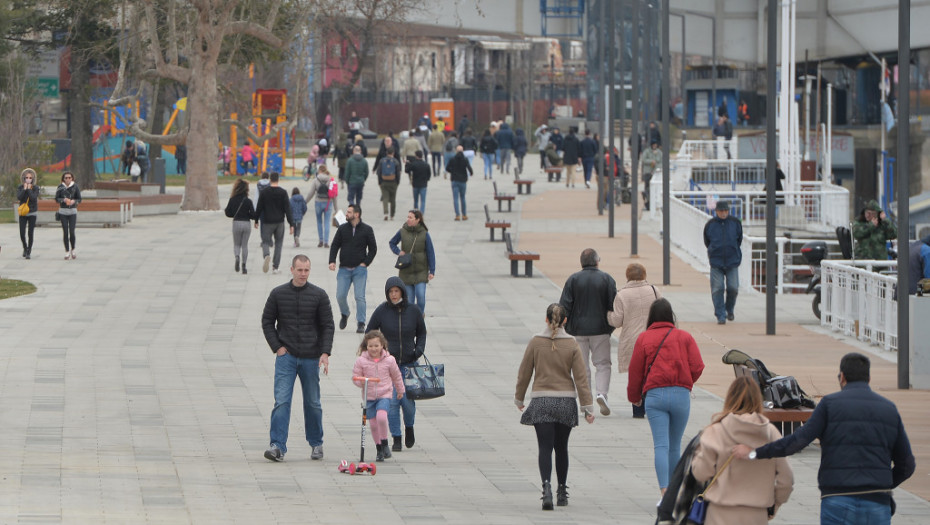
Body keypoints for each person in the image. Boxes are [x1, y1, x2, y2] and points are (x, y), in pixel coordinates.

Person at [732, 353, 915, 525]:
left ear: (842, 377)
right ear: (869, 379)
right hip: (877, 502)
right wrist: (882, 484)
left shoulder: (830, 405)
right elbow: (907, 464)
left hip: (837, 499)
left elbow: (796, 442)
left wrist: (754, 453)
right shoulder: (889, 409)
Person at [514, 303, 595, 510]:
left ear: (546, 320)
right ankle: (562, 491)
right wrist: (587, 407)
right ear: (565, 320)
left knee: (544, 447)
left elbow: (525, 372)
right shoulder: (572, 344)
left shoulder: (535, 342)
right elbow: (581, 377)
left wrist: (519, 398)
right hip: (565, 401)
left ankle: (546, 488)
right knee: (561, 448)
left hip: (541, 400)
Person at [690, 376, 794, 524]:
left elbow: (700, 473)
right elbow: (787, 480)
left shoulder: (716, 431)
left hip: (720, 512)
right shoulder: (771, 433)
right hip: (756, 513)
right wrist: (774, 505)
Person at [627, 298, 705, 495]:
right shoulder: (685, 337)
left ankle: (664, 489)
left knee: (661, 444)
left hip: (655, 395)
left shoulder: (644, 338)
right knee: (675, 445)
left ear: (651, 317)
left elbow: (635, 372)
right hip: (680, 395)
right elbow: (697, 366)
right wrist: (686, 381)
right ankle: (675, 490)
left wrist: (634, 397)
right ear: (671, 316)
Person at [262, 254, 334, 462]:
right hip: (287, 356)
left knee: (312, 402)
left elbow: (328, 325)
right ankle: (277, 445)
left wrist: (325, 352)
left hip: (311, 357)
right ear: (291, 269)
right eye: (300, 270)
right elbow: (267, 321)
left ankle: (316, 443)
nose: (303, 274)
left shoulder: (319, 295)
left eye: (307, 270)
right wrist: (277, 347)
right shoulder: (278, 294)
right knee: (282, 401)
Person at [366, 276, 427, 452]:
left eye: (396, 291)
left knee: (407, 402)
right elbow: (370, 332)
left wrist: (419, 349)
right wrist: (377, 352)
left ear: (402, 291)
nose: (393, 295)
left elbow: (422, 332)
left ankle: (409, 427)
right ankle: (396, 437)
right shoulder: (382, 311)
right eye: (390, 292)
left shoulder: (413, 310)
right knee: (391, 402)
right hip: (388, 366)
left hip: (409, 364)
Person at [559, 248, 618, 416]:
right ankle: (602, 394)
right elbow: (613, 305)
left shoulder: (573, 279)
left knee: (581, 367)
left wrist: (565, 327)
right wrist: (609, 327)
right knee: (603, 364)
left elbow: (565, 306)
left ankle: (586, 402)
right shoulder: (607, 279)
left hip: (577, 331)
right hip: (601, 329)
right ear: (597, 261)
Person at [607, 263, 661, 419]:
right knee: (651, 373)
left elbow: (617, 321)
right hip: (654, 338)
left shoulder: (622, 295)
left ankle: (638, 409)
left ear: (627, 276)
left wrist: (607, 315)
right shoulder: (654, 290)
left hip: (632, 341)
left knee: (636, 375)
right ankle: (652, 406)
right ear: (644, 274)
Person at [352, 330, 405, 462]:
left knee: (382, 417)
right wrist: (360, 381)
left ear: (382, 345)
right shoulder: (361, 361)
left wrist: (400, 390)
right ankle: (379, 448)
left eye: (376, 346)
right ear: (366, 346)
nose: (374, 349)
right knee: (374, 424)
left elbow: (396, 376)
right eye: (370, 346)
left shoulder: (389, 360)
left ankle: (385, 442)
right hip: (369, 396)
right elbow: (355, 376)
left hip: (384, 394)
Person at [329, 204, 378, 334]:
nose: (346, 214)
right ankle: (345, 313)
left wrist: (366, 263)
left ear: (357, 214)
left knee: (359, 297)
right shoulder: (342, 229)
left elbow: (373, 249)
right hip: (344, 269)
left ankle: (361, 323)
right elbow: (335, 245)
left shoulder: (367, 230)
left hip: (359, 269)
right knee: (340, 296)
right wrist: (332, 261)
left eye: (349, 212)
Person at [703, 201, 742, 324]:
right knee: (717, 288)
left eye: (726, 211)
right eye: (721, 211)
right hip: (716, 262)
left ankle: (729, 309)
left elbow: (739, 239)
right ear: (716, 211)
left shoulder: (735, 223)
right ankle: (720, 314)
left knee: (733, 288)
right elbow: (707, 241)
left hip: (732, 261)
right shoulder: (710, 225)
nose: (724, 213)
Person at [389, 210, 436, 312]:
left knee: (421, 297)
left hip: (421, 271)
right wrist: (398, 251)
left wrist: (432, 270)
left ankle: (420, 318)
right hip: (406, 271)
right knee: (409, 301)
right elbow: (392, 242)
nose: (408, 219)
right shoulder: (402, 231)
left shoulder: (424, 234)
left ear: (417, 220)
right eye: (408, 217)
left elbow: (430, 252)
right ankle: (411, 322)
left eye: (411, 217)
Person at [254, 172, 294, 274]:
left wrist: (256, 220)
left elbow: (259, 207)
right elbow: (287, 209)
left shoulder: (264, 192)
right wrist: (291, 224)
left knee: (265, 241)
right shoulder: (283, 192)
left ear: (270, 180)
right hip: (279, 222)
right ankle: (275, 267)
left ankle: (266, 254)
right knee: (279, 244)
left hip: (267, 222)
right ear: (278, 179)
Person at [224, 178, 256, 274]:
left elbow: (227, 212)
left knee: (237, 244)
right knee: (244, 245)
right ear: (246, 189)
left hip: (237, 223)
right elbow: (253, 215)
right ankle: (244, 265)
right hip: (246, 224)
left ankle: (237, 256)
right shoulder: (248, 201)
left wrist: (234, 214)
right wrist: (249, 216)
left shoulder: (232, 199)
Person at [307, 164, 336, 248]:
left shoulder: (316, 180)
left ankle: (320, 241)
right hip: (328, 203)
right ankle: (326, 242)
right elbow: (334, 194)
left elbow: (311, 193)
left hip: (318, 202)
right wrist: (336, 208)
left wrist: (305, 202)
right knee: (327, 222)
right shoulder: (331, 180)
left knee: (319, 222)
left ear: (319, 171)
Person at [55, 171, 82, 260]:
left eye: (69, 178)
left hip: (72, 212)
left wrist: (74, 201)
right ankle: (67, 251)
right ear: (63, 179)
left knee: (72, 231)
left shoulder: (75, 186)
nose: (67, 179)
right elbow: (56, 198)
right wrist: (63, 200)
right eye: (66, 178)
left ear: (72, 178)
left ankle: (73, 249)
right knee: (65, 232)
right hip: (63, 212)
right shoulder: (60, 187)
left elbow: (79, 198)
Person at [17, 168, 40, 260]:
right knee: (22, 233)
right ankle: (25, 247)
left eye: (30, 177)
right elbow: (19, 197)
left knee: (30, 233)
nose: (28, 179)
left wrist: (29, 189)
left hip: (32, 212)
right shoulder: (20, 187)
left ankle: (29, 251)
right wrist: (24, 189)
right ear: (23, 178)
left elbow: (34, 198)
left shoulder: (36, 188)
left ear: (33, 178)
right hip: (23, 213)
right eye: (26, 177)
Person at [446, 145, 473, 221]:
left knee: (455, 198)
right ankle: (464, 215)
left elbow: (447, 168)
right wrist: (471, 173)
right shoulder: (465, 159)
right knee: (463, 198)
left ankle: (457, 215)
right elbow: (469, 168)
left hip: (454, 180)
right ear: (462, 151)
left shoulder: (452, 159)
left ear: (456, 151)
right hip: (463, 180)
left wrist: (452, 172)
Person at [375, 147, 400, 221]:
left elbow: (379, 172)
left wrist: (379, 182)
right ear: (393, 153)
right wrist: (397, 182)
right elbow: (398, 173)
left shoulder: (382, 161)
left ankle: (386, 213)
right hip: (393, 182)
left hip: (384, 181)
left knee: (385, 198)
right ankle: (392, 215)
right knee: (393, 199)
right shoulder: (395, 161)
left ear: (386, 153)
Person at [640, 142, 661, 211]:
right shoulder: (647, 152)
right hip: (648, 173)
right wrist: (651, 161)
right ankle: (647, 203)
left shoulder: (659, 152)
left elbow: (660, 161)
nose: (655, 146)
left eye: (656, 145)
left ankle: (653, 204)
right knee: (647, 189)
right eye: (654, 144)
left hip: (655, 173)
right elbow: (644, 160)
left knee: (655, 189)